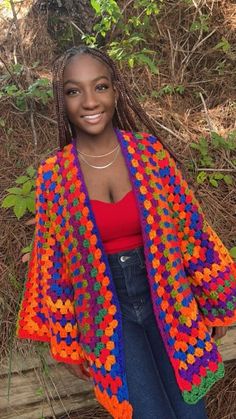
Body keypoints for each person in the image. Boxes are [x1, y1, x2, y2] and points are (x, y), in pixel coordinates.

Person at [17, 45, 236, 419]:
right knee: (148, 413)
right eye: (73, 90)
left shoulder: (150, 154)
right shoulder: (53, 175)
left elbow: (191, 231)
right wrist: (67, 337)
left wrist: (214, 303)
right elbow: (53, 265)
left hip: (169, 296)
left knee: (191, 412)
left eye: (99, 86)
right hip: (106, 313)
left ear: (116, 91)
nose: (89, 101)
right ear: (62, 100)